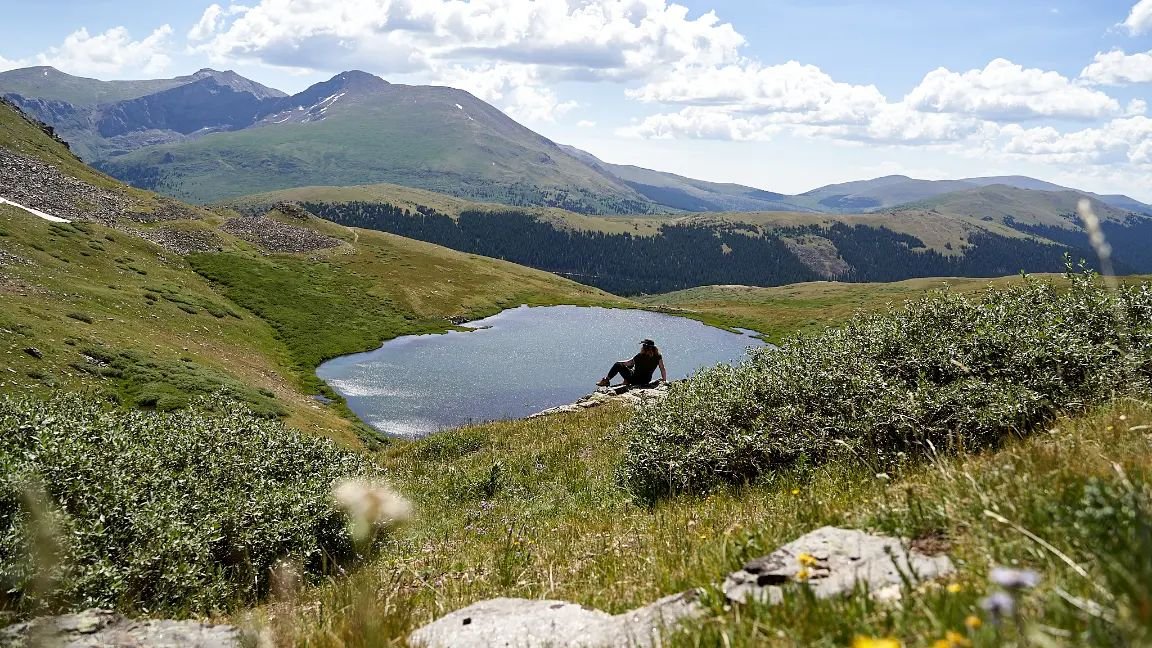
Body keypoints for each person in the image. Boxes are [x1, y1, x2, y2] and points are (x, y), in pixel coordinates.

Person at [597, 339, 667, 388]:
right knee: (632, 367)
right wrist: (664, 380)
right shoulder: (658, 356)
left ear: (645, 347)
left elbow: (628, 363)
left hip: (634, 380)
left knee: (618, 365)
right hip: (646, 380)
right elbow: (662, 368)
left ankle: (606, 380)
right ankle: (626, 381)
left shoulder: (639, 356)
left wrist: (619, 363)